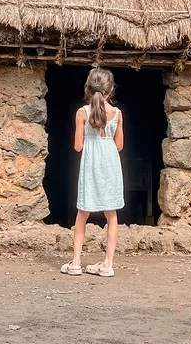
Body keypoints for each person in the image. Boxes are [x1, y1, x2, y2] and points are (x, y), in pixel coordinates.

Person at [61, 68, 124, 278]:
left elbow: (78, 146)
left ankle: (76, 263)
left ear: (88, 89)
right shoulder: (117, 114)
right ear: (110, 90)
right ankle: (107, 264)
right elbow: (120, 145)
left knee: (82, 213)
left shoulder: (82, 113)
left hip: (91, 163)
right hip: (111, 164)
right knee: (111, 214)